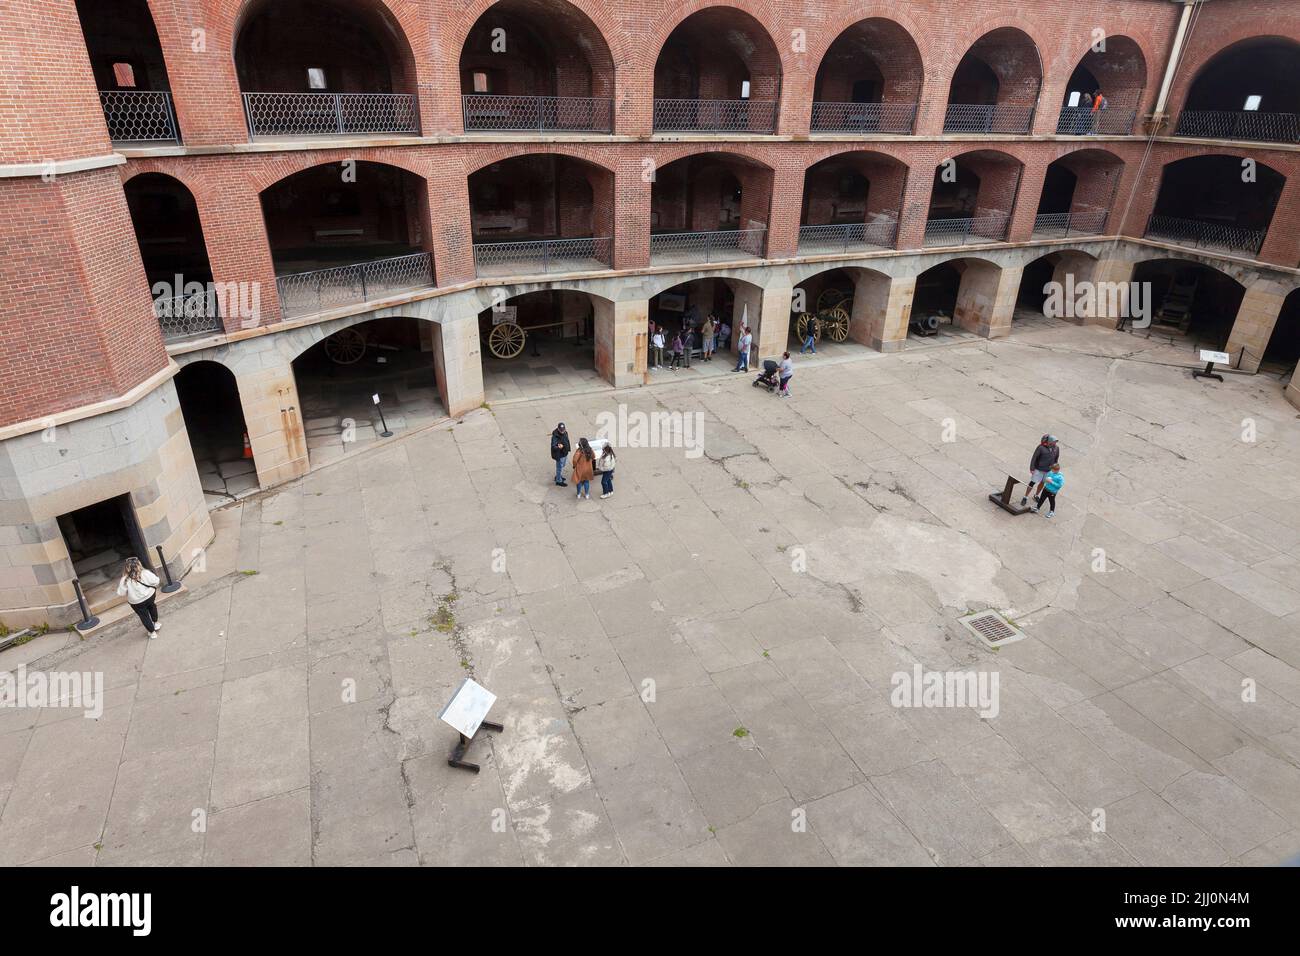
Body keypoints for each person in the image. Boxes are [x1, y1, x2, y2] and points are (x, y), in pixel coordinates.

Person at [116, 557, 161, 639]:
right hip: (150, 596)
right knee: (152, 607)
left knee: (144, 616)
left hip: (136, 602)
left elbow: (121, 593)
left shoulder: (124, 580)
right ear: (139, 564)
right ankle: (156, 623)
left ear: (126, 568)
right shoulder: (145, 573)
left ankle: (152, 632)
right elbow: (156, 581)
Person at [1021, 434, 1059, 506]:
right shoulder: (1041, 447)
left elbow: (1056, 459)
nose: (1055, 443)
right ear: (1050, 441)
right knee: (1032, 482)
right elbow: (1034, 457)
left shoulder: (1056, 448)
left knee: (1042, 482)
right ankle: (1025, 497)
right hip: (1039, 469)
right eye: (1054, 441)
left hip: (1048, 470)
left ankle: (1036, 495)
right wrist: (1032, 468)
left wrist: (1055, 468)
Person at [551, 422, 571, 486]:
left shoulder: (565, 432)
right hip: (560, 455)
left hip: (565, 453)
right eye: (561, 430)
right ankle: (558, 481)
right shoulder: (555, 436)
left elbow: (567, 440)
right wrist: (558, 447)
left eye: (563, 429)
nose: (563, 431)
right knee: (559, 468)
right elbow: (553, 446)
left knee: (562, 466)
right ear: (558, 429)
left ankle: (558, 476)